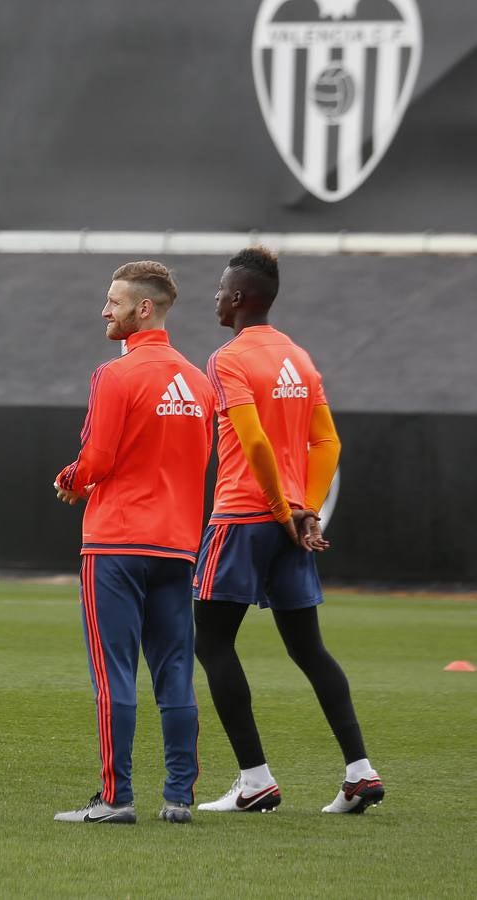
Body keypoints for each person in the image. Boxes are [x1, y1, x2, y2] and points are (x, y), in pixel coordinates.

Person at [192, 246, 382, 814]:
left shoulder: (227, 359)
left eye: (222, 289)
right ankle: (360, 772)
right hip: (290, 521)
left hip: (244, 516)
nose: (216, 297)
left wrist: (282, 509)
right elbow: (329, 443)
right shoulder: (298, 357)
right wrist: (307, 509)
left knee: (211, 641)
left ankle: (255, 781)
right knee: (309, 649)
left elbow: (251, 442)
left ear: (240, 299)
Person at [50, 262, 214, 825]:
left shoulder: (114, 375)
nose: (105, 309)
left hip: (117, 544)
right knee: (175, 672)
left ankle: (116, 798)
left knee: (114, 673)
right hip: (177, 545)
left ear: (144, 309)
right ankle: (178, 797)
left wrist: (70, 480)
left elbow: (97, 459)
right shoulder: (199, 382)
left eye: (114, 301)